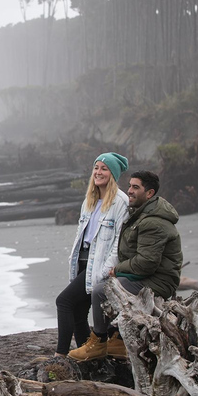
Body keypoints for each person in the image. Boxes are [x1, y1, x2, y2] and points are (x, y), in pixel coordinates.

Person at [69, 170, 183, 361]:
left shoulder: (153, 222)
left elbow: (146, 263)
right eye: (129, 186)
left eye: (135, 187)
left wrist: (118, 270)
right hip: (149, 275)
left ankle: (99, 342)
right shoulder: (140, 214)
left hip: (159, 280)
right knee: (108, 285)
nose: (129, 190)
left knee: (101, 290)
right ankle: (117, 341)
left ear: (149, 193)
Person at [54, 153, 129, 357]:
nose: (98, 172)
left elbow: (119, 242)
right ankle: (87, 355)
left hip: (99, 265)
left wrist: (105, 270)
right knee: (78, 311)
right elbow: (82, 236)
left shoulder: (121, 202)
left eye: (104, 169)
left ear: (112, 174)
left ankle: (60, 355)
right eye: (96, 167)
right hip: (83, 260)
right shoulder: (90, 200)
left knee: (64, 301)